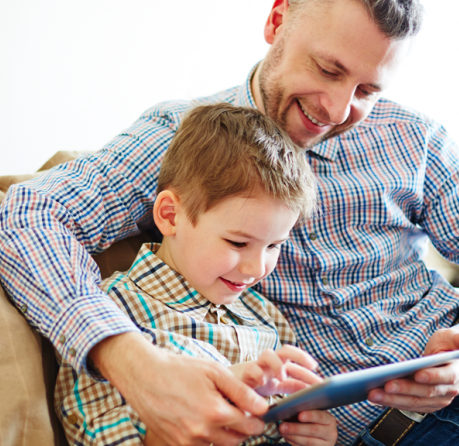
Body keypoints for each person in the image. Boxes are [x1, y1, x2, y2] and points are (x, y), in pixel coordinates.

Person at [0, 0, 459, 445]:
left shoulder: (412, 138)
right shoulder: (185, 139)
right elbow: (31, 218)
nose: (339, 110)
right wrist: (130, 361)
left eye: (367, 90)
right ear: (276, 19)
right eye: (328, 69)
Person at [54, 103, 337, 446]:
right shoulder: (112, 312)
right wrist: (217, 396)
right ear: (170, 216)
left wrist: (312, 433)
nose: (256, 268)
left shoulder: (265, 316)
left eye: (274, 245)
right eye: (238, 242)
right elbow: (99, 434)